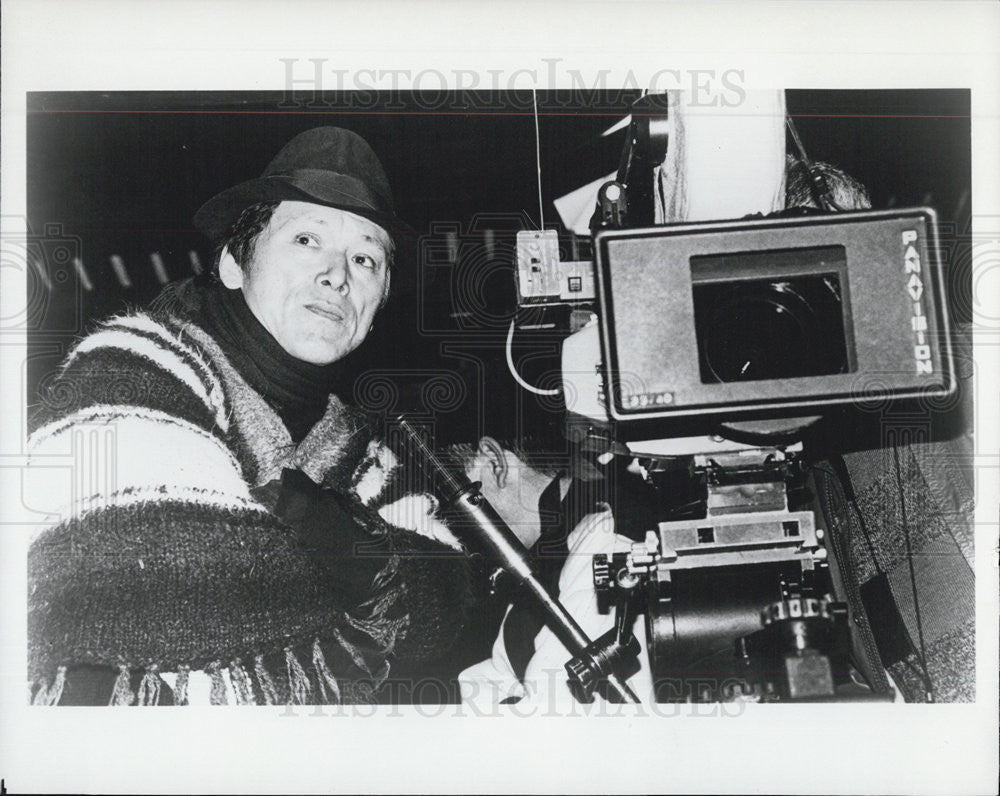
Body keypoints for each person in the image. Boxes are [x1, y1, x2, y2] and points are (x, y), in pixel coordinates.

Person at [25, 127, 472, 706]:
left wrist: (332, 537)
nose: (338, 274)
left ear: (379, 297)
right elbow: (171, 599)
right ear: (235, 263)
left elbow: (447, 606)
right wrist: (357, 566)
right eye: (307, 239)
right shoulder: (133, 366)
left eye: (365, 257)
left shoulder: (363, 448)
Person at [448, 437, 654, 706]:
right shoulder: (544, 563)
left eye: (463, 499)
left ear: (495, 462)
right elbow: (487, 683)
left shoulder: (608, 537)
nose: (461, 524)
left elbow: (555, 713)